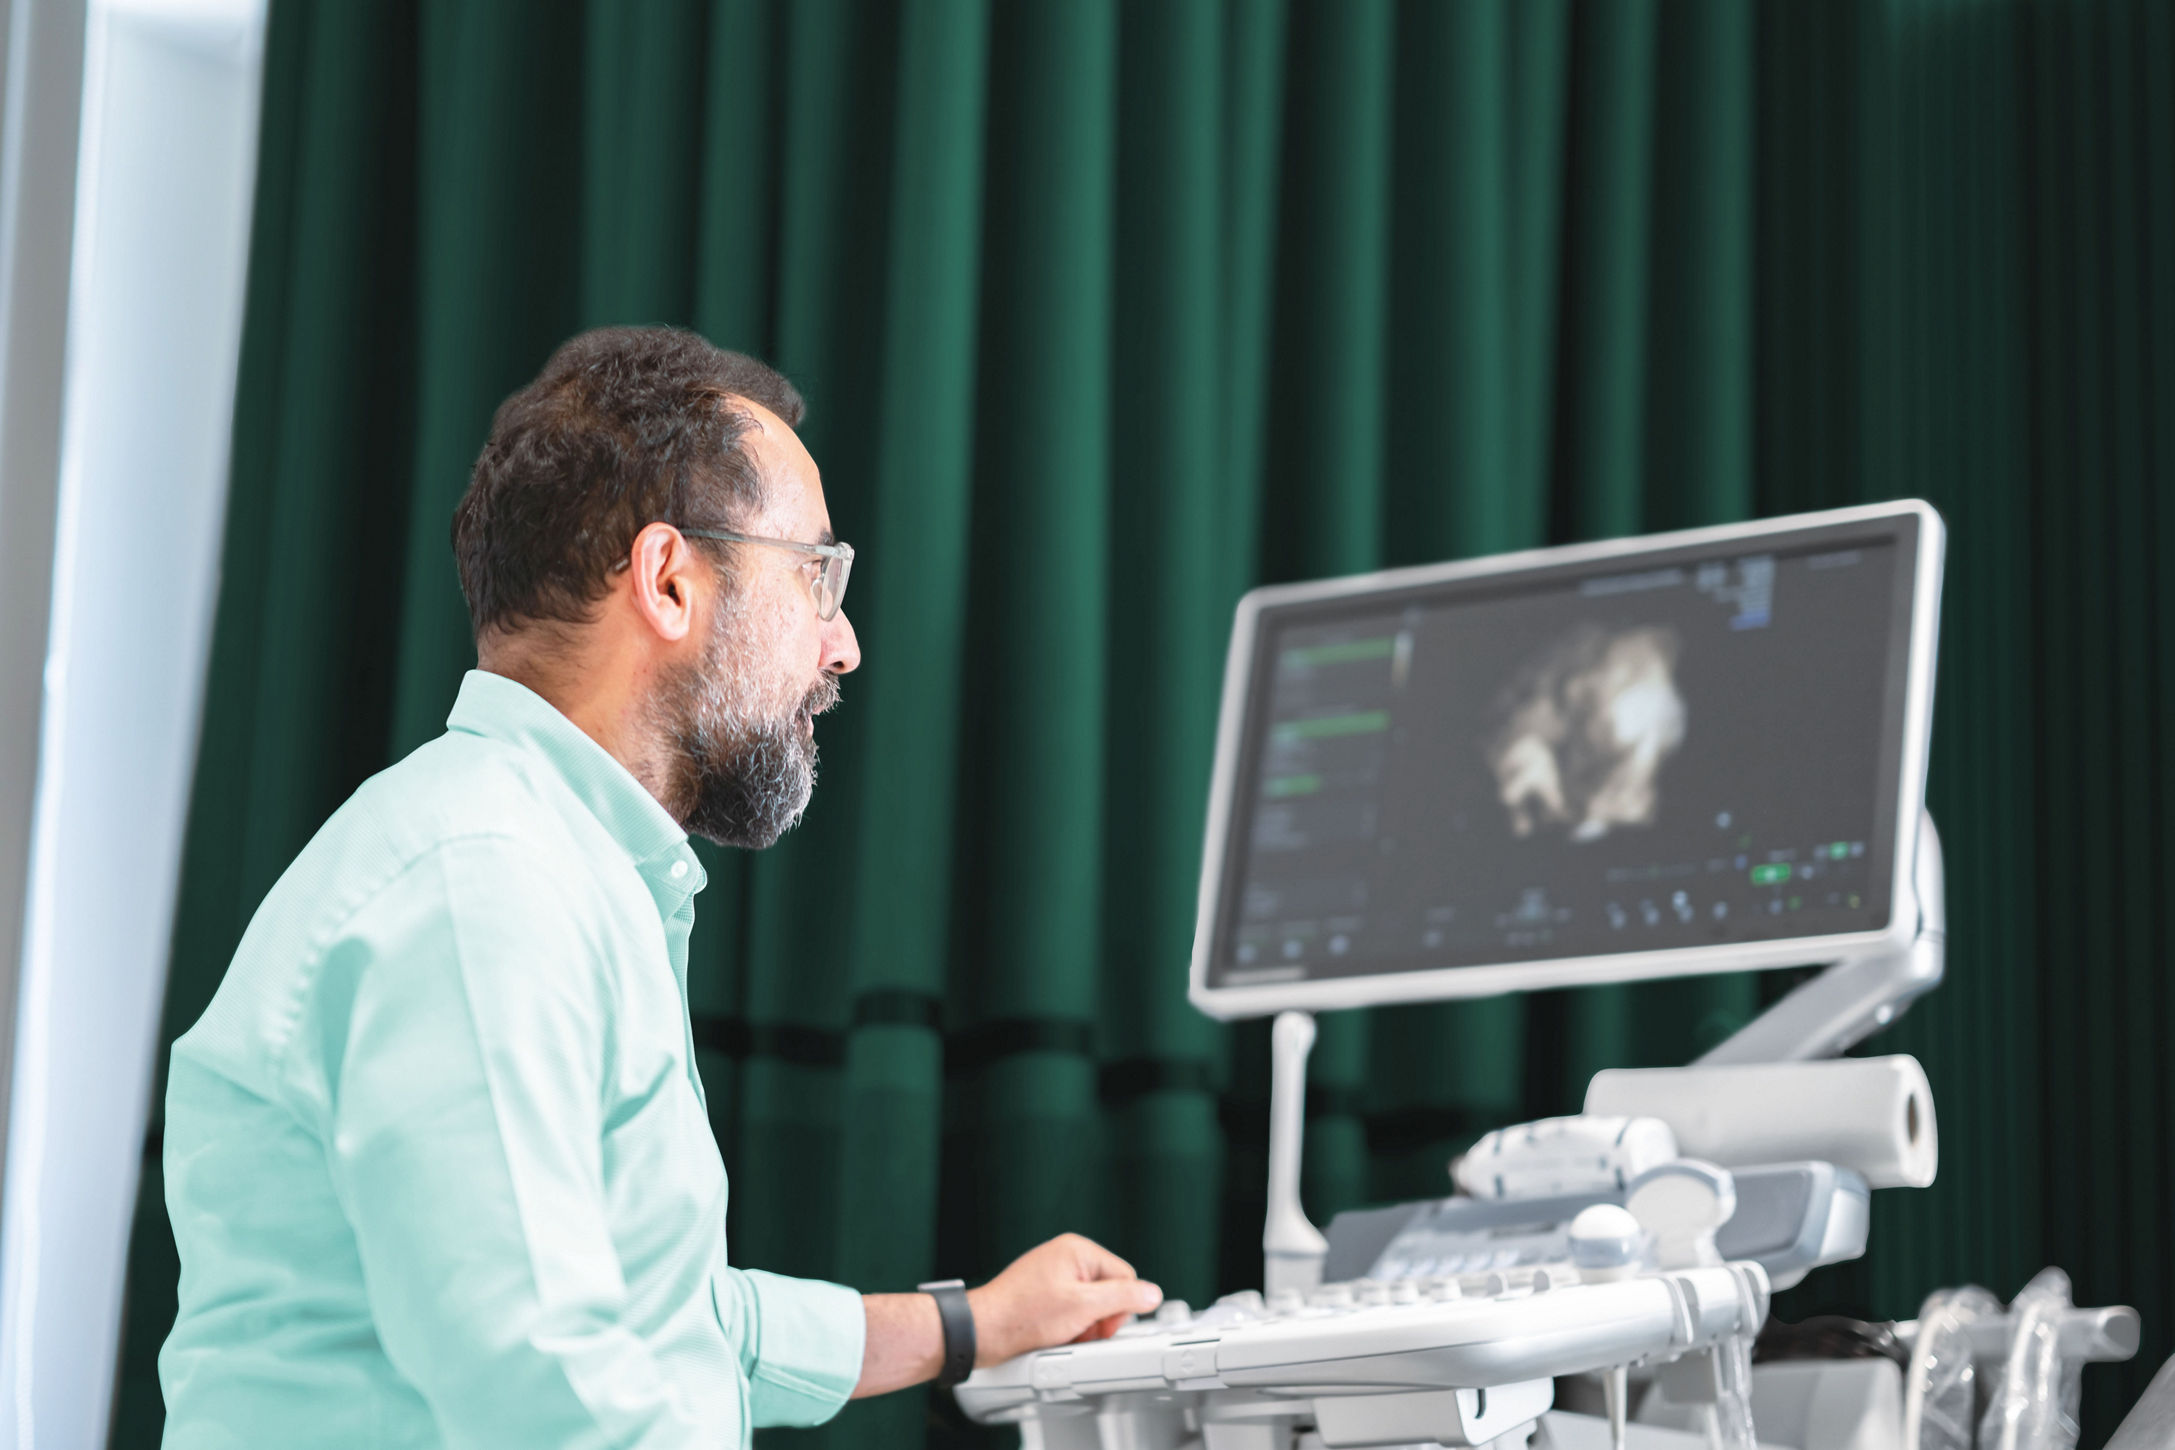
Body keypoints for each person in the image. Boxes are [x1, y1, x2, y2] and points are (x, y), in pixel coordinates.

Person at [157, 326, 1161, 1448]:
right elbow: (546, 1388)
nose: (844, 646)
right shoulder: (483, 889)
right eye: (816, 577)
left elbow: (675, 1322)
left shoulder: (550, 867)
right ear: (669, 581)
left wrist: (974, 1323)